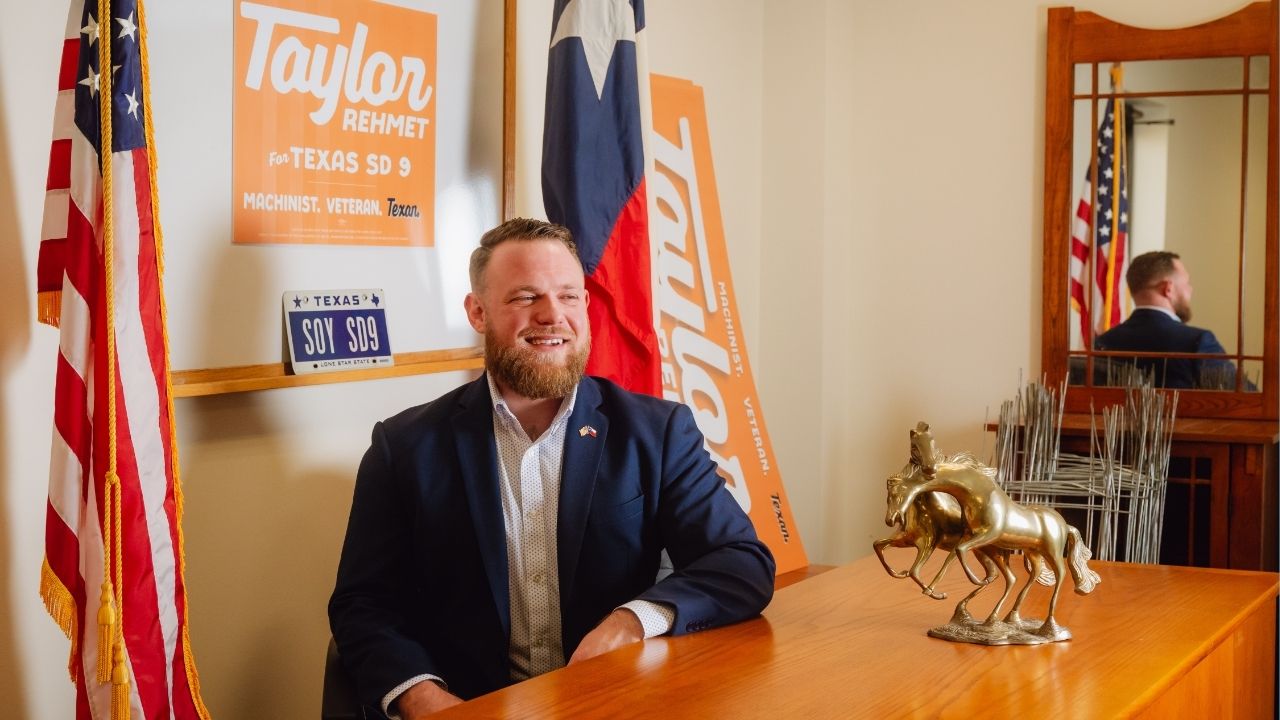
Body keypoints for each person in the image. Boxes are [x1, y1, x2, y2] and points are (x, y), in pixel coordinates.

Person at [328, 218, 776, 719]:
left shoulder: (656, 432)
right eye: (526, 297)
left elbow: (741, 562)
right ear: (477, 312)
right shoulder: (404, 447)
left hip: (616, 705)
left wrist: (632, 622)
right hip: (474, 707)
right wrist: (428, 703)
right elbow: (363, 604)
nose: (552, 315)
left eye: (568, 296)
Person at [1094, 250, 1237, 390]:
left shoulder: (1102, 343)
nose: (1191, 290)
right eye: (1187, 283)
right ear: (1168, 289)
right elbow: (1242, 395)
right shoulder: (1198, 342)